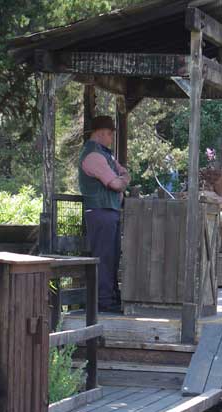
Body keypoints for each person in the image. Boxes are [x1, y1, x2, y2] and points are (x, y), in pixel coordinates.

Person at [78, 115, 130, 313]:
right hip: (100, 212)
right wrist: (122, 181)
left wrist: (122, 178)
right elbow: (117, 182)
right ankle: (103, 301)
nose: (111, 139)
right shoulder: (94, 156)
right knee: (105, 257)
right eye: (110, 135)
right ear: (101, 133)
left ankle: (110, 297)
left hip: (109, 212)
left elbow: (125, 173)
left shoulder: (106, 155)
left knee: (113, 256)